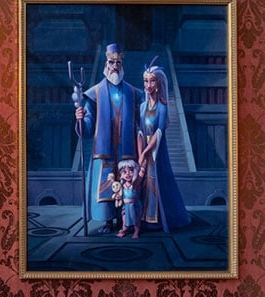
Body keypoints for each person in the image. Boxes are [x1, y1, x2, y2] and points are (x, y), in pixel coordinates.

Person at [75, 43, 144, 234]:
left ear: (122, 64)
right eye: (111, 62)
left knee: (128, 185)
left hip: (126, 149)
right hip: (104, 149)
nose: (114, 66)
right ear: (106, 64)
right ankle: (107, 221)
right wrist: (81, 119)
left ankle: (126, 222)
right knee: (105, 184)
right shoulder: (95, 93)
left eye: (118, 62)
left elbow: (142, 121)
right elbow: (88, 126)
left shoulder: (132, 92)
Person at [137, 65, 191, 233]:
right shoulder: (142, 106)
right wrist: (140, 153)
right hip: (144, 148)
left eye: (152, 81)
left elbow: (159, 132)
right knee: (143, 182)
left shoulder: (162, 106)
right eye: (146, 81)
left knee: (156, 181)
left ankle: (156, 220)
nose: (148, 85)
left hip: (156, 150)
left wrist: (146, 152)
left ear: (159, 83)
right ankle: (143, 218)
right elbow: (140, 131)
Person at [115, 159, 142, 239]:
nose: (128, 174)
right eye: (124, 172)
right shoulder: (122, 186)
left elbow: (141, 174)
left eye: (130, 171)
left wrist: (143, 165)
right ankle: (124, 230)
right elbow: (121, 195)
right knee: (125, 220)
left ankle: (136, 231)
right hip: (125, 206)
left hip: (134, 206)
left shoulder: (135, 184)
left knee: (136, 220)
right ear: (121, 175)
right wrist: (118, 197)